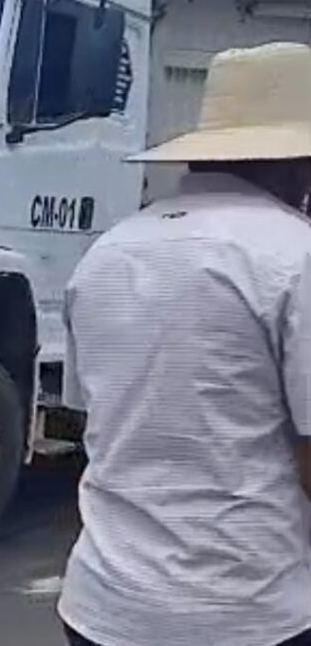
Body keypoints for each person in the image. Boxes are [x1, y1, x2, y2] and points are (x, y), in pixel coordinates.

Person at [59, 42, 311, 646]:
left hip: (103, 607)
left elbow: (87, 418)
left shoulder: (107, 253)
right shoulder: (294, 256)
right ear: (299, 162)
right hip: (248, 614)